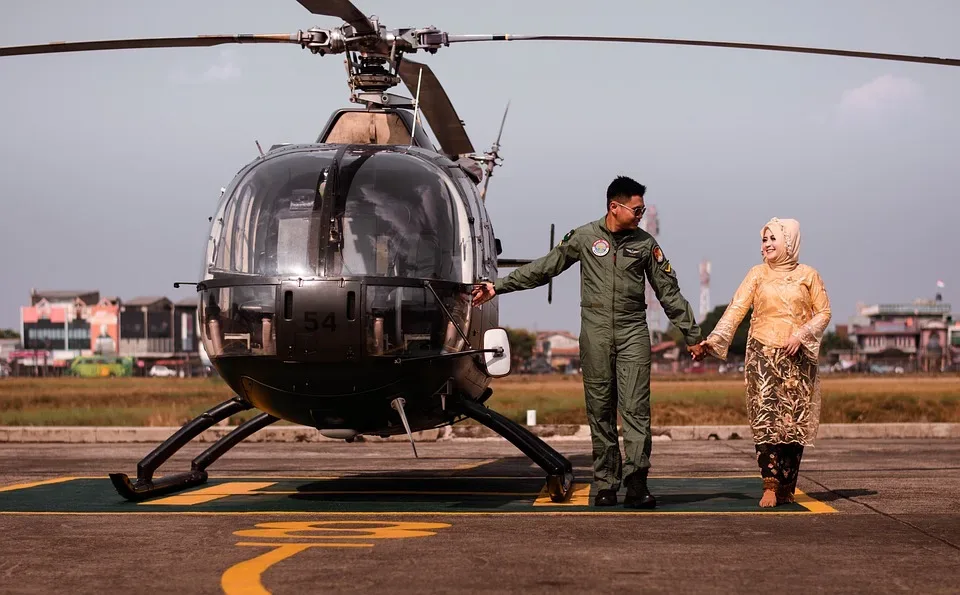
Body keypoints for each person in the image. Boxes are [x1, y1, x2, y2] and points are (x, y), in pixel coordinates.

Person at [472, 175, 704, 508]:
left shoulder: (645, 244)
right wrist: (498, 286)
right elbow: (544, 268)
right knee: (600, 410)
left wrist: (692, 334)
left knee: (636, 409)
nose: (641, 214)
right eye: (637, 209)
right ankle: (607, 482)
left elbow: (668, 292)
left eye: (642, 209)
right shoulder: (583, 237)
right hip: (595, 333)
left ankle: (637, 484)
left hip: (633, 332)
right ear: (615, 206)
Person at [696, 217, 831, 507]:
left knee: (792, 421)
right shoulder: (757, 274)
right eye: (764, 240)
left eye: (772, 239)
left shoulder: (809, 275)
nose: (766, 245)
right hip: (762, 357)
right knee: (765, 417)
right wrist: (714, 339)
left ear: (789, 242)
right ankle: (769, 484)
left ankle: (787, 484)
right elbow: (736, 308)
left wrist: (801, 334)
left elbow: (824, 313)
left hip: (797, 358)